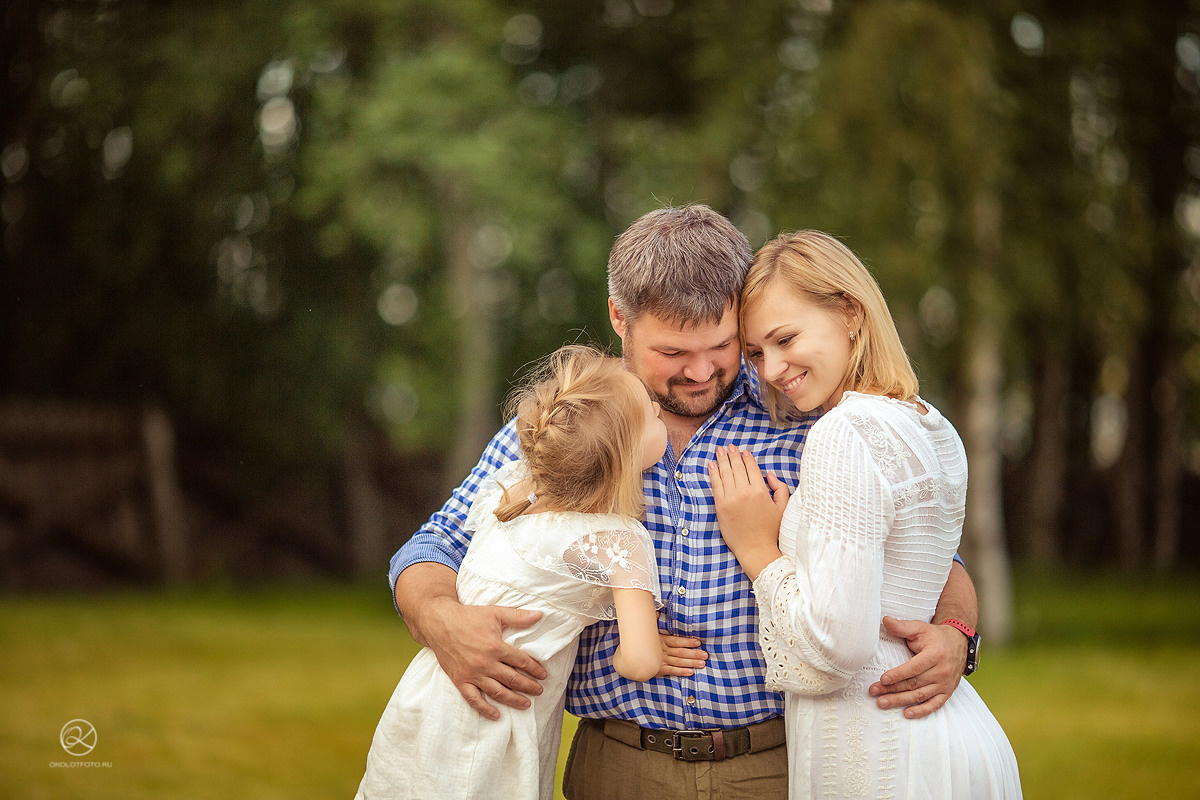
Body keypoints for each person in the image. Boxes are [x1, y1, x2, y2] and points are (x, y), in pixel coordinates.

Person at [389, 205, 981, 800]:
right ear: (619, 318)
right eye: (674, 352)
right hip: (618, 766)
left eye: (723, 346)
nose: (701, 371)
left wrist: (956, 632)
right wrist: (441, 619)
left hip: (775, 764)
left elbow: (929, 555)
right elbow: (437, 543)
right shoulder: (569, 425)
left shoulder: (806, 411)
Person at [708, 229, 1021, 798]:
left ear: (851, 313)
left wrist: (758, 551)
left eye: (785, 339)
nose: (771, 369)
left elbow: (838, 647)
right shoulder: (929, 423)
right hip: (949, 734)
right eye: (756, 353)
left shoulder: (843, 433)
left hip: (882, 753)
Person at [356, 345, 668, 800]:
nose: (659, 409)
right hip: (498, 724)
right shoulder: (619, 543)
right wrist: (641, 647)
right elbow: (641, 661)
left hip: (427, 704)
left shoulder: (509, 494)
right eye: (650, 414)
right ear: (625, 455)